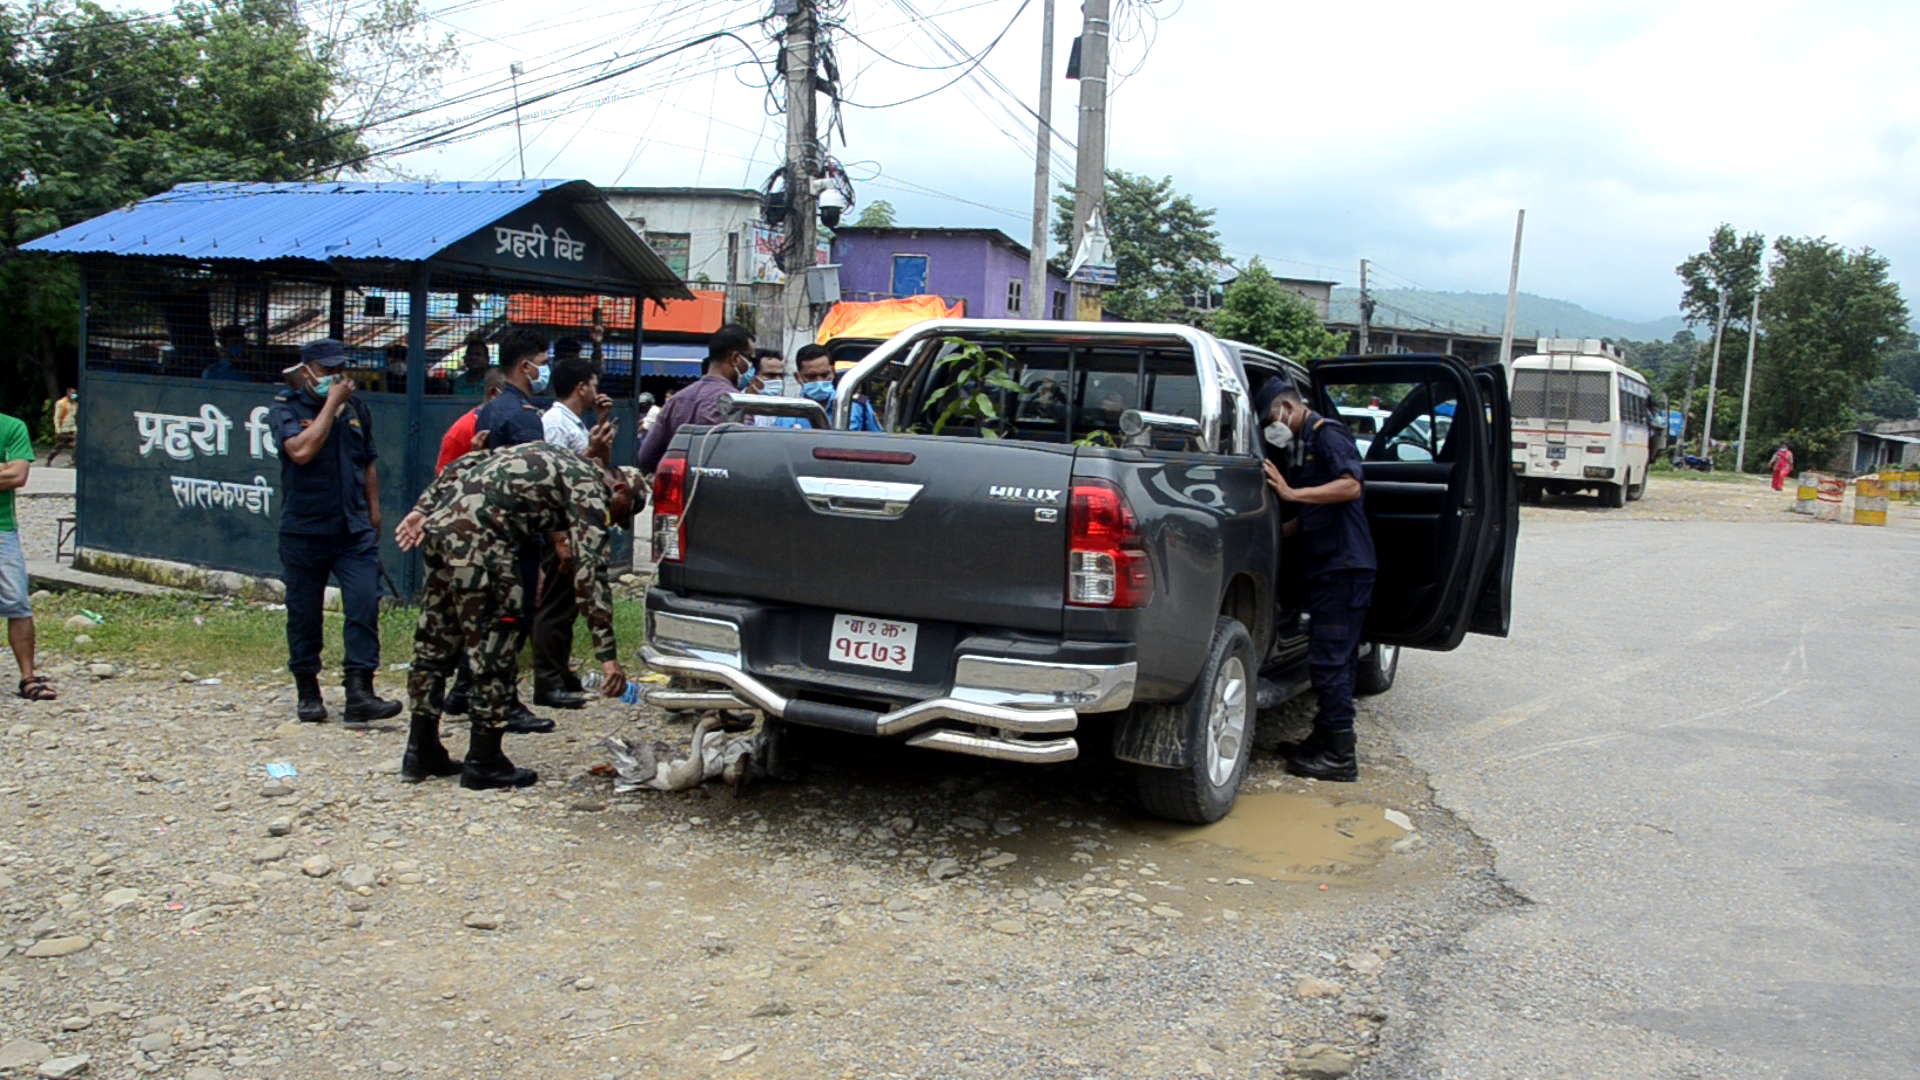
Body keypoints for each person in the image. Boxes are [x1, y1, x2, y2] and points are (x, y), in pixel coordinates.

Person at [392, 441, 637, 788]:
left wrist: (424, 506)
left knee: (435, 642)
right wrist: (608, 657)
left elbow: (473, 460)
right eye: (622, 512)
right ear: (620, 487)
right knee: (495, 645)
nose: (615, 521)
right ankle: (484, 760)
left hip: (443, 527)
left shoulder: (550, 454)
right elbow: (591, 573)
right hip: (484, 543)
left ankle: (420, 749)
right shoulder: (590, 486)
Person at [269, 339, 403, 725]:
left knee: (363, 604)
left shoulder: (358, 409)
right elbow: (301, 452)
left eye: (339, 369)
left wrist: (374, 514)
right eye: (327, 370)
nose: (336, 377)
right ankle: (307, 689)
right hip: (305, 529)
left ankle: (360, 690)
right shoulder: (285, 409)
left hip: (352, 529)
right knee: (304, 613)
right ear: (307, 370)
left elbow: (368, 463)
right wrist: (330, 405)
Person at [1256, 378, 1375, 782]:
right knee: (1326, 658)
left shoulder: (1328, 434)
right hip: (1328, 567)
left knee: (1331, 661)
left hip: (1344, 568)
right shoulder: (1304, 442)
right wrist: (1272, 532)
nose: (1271, 425)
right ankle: (1323, 740)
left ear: (1286, 407)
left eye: (1271, 416)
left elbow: (1350, 485)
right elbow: (1308, 518)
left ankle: (1341, 755)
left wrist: (1290, 493)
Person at [532, 356, 611, 708]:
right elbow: (554, 481)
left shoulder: (576, 423)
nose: (597, 390)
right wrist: (559, 537)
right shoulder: (554, 423)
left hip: (575, 523)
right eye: (593, 383)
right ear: (582, 387)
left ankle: (560, 671)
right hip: (559, 524)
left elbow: (591, 470)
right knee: (553, 604)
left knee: (566, 606)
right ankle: (546, 681)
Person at [636, 323, 756, 474]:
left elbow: (646, 457)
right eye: (751, 359)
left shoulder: (676, 401)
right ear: (735, 358)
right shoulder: (738, 406)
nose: (752, 368)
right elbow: (745, 463)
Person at [0, 411, 51, 701]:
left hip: (2, 529)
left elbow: (18, 476)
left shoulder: (11, 427)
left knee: (17, 601)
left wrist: (9, 472)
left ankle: (28, 677)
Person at [794, 344, 883, 430]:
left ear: (833, 372)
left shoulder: (857, 405)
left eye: (825, 375)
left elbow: (879, 440)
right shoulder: (787, 411)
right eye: (811, 376)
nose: (819, 381)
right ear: (798, 377)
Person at [436, 369, 508, 473]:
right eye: (513, 392)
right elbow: (443, 479)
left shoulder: (515, 424)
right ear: (494, 393)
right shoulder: (462, 430)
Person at [452, 331, 491, 395]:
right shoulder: (459, 382)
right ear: (465, 359)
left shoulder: (496, 380)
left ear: (487, 359)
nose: (473, 358)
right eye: (470, 354)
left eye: (478, 354)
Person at [47, 388, 78, 466]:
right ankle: (49, 459)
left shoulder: (75, 403)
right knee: (60, 446)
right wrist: (57, 430)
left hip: (73, 428)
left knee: (77, 443)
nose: (74, 395)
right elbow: (57, 417)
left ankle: (74, 461)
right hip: (63, 428)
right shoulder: (61, 403)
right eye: (72, 393)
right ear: (67, 393)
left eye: (75, 393)